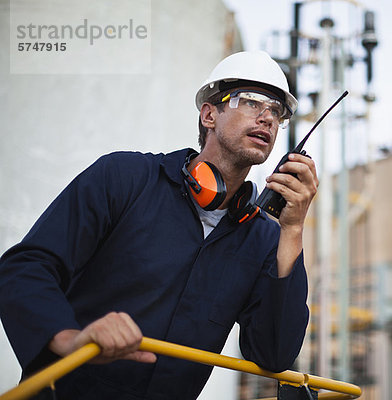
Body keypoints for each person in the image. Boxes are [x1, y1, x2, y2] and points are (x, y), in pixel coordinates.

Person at [0, 51, 317, 399]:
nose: (267, 118)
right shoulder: (124, 179)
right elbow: (25, 268)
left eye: (277, 111)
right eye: (253, 102)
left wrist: (292, 230)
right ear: (209, 114)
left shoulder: (264, 238)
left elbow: (273, 355)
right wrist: (68, 339)